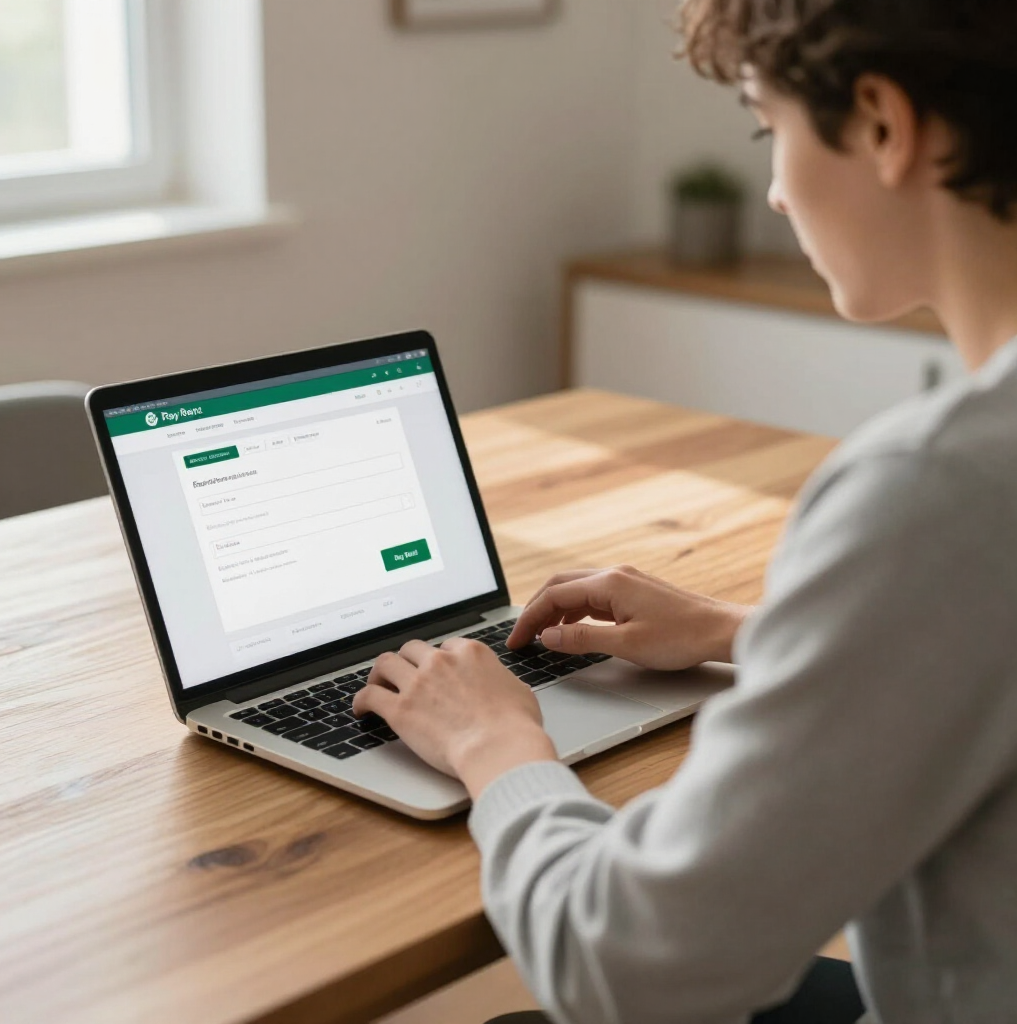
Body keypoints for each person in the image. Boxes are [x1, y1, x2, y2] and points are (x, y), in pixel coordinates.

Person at [353, 1, 1017, 1020]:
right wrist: (749, 632)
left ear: (882, 124)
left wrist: (494, 742)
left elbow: (625, 968)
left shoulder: (936, 487)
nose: (776, 193)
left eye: (768, 128)